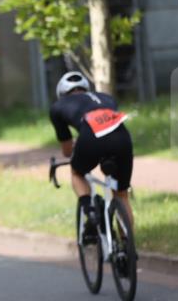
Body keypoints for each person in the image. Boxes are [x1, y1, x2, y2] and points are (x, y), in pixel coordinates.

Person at [50, 71, 134, 241]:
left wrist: (76, 148)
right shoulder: (106, 98)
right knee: (121, 194)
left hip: (90, 138)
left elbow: (67, 150)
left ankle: (90, 212)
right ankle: (128, 246)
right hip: (122, 138)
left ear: (62, 94)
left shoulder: (58, 107)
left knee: (77, 172)